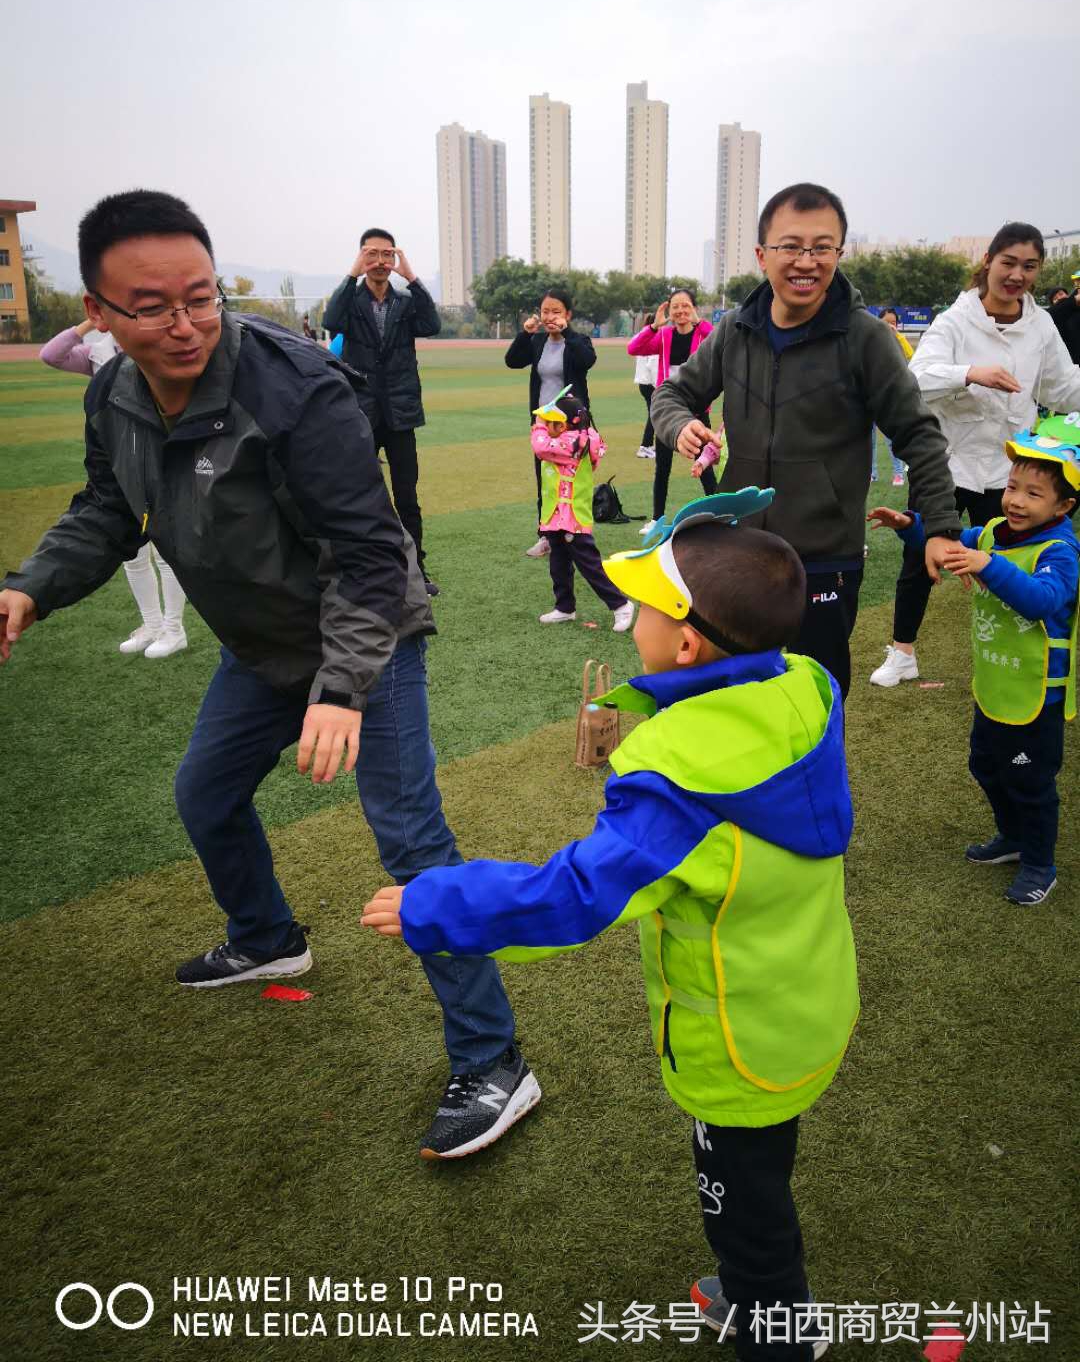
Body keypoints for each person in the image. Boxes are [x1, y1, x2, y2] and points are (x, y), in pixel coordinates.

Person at [0, 189, 538, 1160]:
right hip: (261, 649)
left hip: (368, 640)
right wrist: (28, 589)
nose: (184, 324)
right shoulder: (111, 395)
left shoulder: (293, 385)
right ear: (97, 313)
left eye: (200, 297)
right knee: (205, 794)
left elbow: (370, 553)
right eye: (151, 306)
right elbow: (109, 512)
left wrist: (339, 690)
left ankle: (494, 1058)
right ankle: (267, 937)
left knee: (411, 840)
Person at [363, 491, 858, 1362]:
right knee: (762, 1170)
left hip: (737, 1040)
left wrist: (435, 903)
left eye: (644, 610)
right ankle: (758, 1288)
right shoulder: (804, 685)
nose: (631, 622)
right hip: (806, 1000)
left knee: (742, 1202)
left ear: (688, 644)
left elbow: (573, 896)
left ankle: (777, 1324)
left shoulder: (677, 781)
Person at [649, 181, 962, 700]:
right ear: (762, 255)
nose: (806, 261)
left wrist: (941, 526)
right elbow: (671, 393)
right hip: (739, 553)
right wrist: (679, 424)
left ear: (839, 253)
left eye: (822, 248)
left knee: (815, 699)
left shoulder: (866, 339)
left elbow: (918, 434)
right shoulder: (735, 330)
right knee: (737, 696)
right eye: (791, 246)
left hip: (824, 560)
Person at [869, 415, 1079, 906]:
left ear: (1064, 505)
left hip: (1036, 695)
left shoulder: (1060, 552)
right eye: (1013, 487)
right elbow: (954, 541)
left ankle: (1040, 864)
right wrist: (912, 528)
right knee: (986, 766)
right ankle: (1012, 838)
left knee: (1031, 782)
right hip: (994, 686)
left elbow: (1042, 601)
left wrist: (991, 565)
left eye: (1033, 494)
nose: (1016, 500)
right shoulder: (993, 533)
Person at [870, 224, 1080, 688]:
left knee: (1011, 564)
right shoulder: (956, 320)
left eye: (1029, 266)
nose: (1017, 275)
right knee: (920, 559)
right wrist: (969, 373)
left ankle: (1013, 658)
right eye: (1009, 262)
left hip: (1009, 474)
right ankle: (903, 652)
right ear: (988, 261)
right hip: (947, 465)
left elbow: (1064, 387)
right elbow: (917, 378)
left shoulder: (1041, 325)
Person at [39, 319, 189, 657]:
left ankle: (173, 629)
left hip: (161, 457)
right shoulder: (97, 354)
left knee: (165, 551)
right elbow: (51, 355)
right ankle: (151, 624)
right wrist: (89, 323)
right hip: (119, 461)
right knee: (132, 554)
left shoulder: (161, 348)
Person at [323, 228, 441, 596]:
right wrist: (351, 274)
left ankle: (416, 571)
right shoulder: (351, 300)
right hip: (362, 413)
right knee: (359, 495)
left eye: (387, 254)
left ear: (395, 258)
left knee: (407, 497)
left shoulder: (404, 302)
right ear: (361, 257)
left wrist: (413, 278)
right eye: (371, 254)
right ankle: (362, 569)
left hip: (400, 414)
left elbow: (432, 325)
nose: (380, 262)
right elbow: (331, 320)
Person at [530, 390, 634, 631]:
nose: (547, 426)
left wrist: (539, 427)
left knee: (589, 565)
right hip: (557, 516)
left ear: (565, 425)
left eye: (552, 422)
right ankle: (564, 607)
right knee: (559, 564)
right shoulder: (576, 438)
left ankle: (621, 605)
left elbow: (540, 447)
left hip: (573, 517)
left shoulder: (573, 443)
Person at [505, 286, 597, 559]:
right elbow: (512, 361)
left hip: (571, 425)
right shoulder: (538, 342)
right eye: (545, 311)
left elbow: (587, 360)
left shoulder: (578, 340)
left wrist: (567, 333)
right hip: (545, 425)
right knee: (546, 482)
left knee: (574, 481)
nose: (549, 317)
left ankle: (576, 534)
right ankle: (546, 535)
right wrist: (525, 334)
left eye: (556, 311)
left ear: (568, 314)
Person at [627, 290, 717, 532]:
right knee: (662, 468)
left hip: (697, 408)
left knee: (704, 465)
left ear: (693, 309)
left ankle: (720, 514)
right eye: (675, 307)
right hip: (669, 411)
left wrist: (700, 322)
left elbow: (720, 340)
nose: (680, 311)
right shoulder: (665, 336)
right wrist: (654, 327)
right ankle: (657, 519)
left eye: (685, 306)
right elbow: (634, 348)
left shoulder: (702, 334)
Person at [870, 308, 912, 486]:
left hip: (889, 397)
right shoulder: (871, 341)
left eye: (893, 323)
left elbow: (911, 356)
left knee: (891, 438)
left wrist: (898, 337)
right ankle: (872, 473)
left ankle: (898, 474)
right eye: (886, 322)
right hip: (869, 396)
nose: (889, 326)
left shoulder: (899, 341)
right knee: (869, 439)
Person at [633, 312, 659, 458]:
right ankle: (645, 446)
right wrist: (659, 385)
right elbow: (653, 364)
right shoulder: (653, 337)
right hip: (650, 383)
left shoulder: (642, 336)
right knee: (654, 415)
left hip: (643, 382)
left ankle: (649, 445)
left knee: (653, 414)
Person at [1048, 267, 1080, 365]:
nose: (1059, 298)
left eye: (1061, 294)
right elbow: (1053, 311)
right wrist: (1075, 299)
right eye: (1055, 298)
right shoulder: (1053, 315)